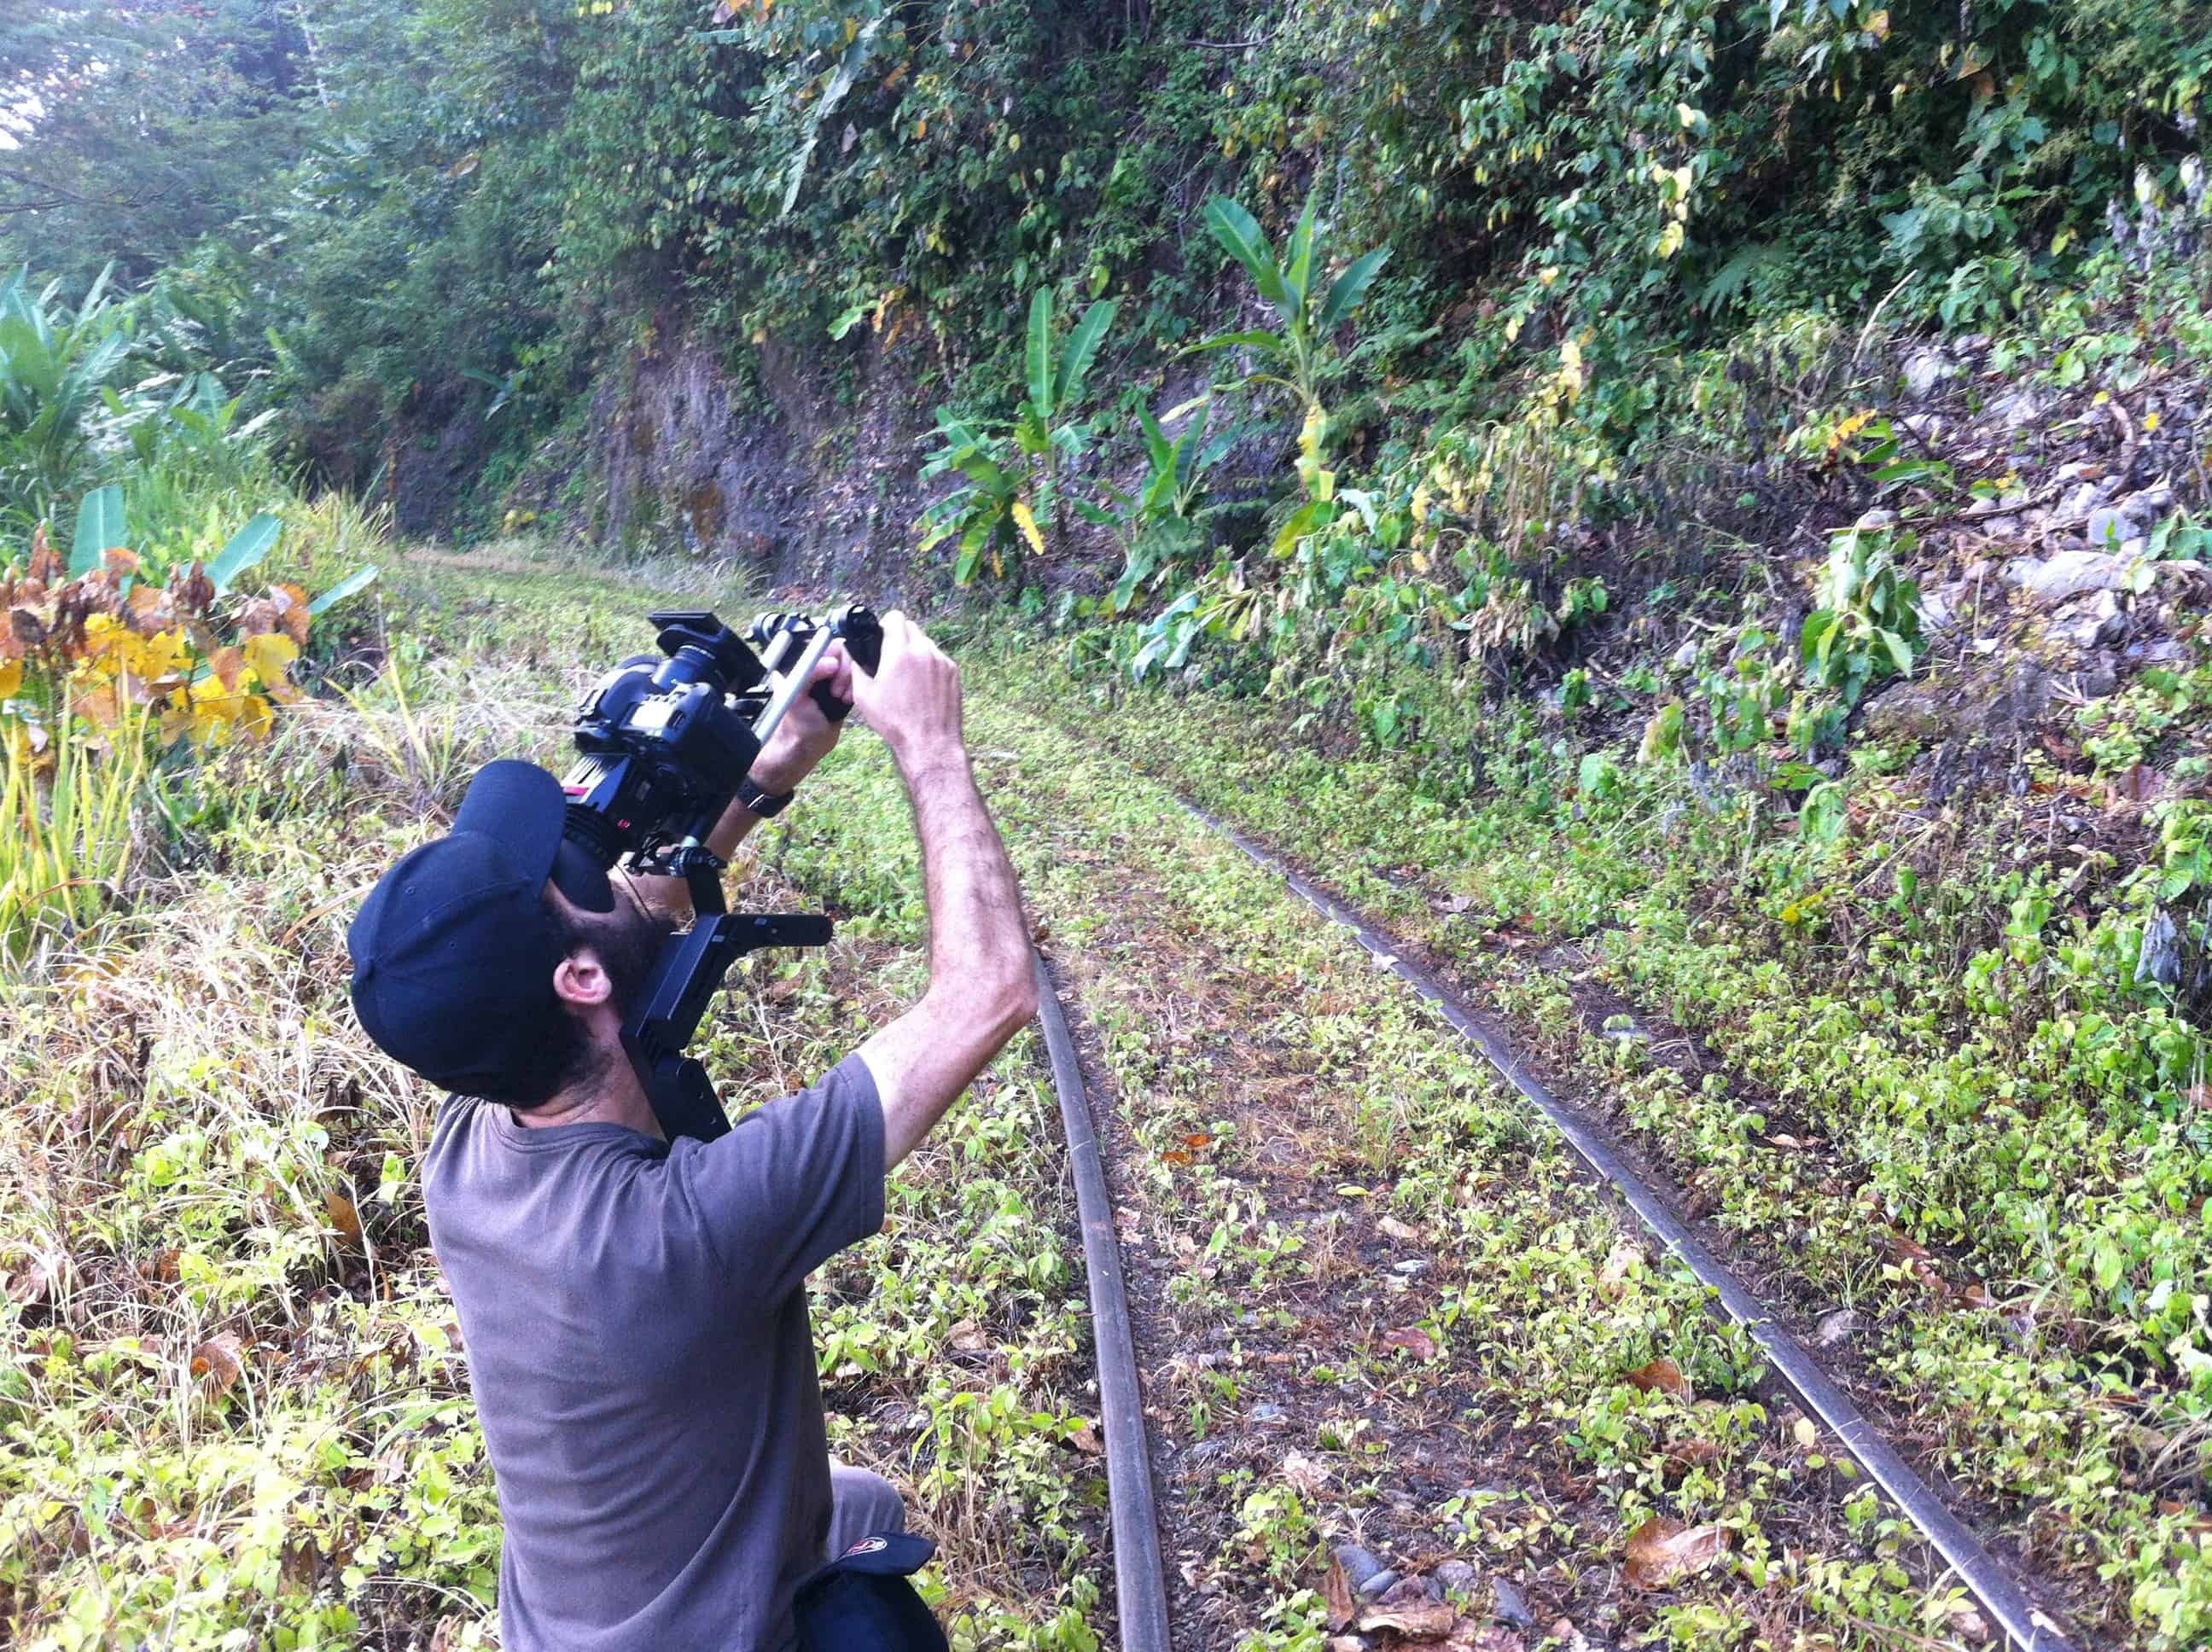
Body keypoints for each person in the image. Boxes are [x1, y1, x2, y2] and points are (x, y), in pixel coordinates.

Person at [345, 612, 1036, 1652]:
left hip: (573, 1626)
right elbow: (987, 992)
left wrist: (768, 774)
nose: (612, 876)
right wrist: (929, 744)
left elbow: (620, 938)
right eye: (574, 878)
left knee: (862, 1500)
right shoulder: (682, 1232)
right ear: (575, 980)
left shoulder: (471, 1141)